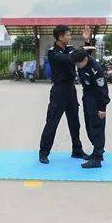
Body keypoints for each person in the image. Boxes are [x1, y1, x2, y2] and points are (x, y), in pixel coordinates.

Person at [38, 24, 93, 164]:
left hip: (71, 90)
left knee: (75, 123)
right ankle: (43, 153)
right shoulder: (52, 52)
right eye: (68, 35)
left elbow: (83, 57)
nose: (69, 37)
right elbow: (69, 59)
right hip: (58, 91)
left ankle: (77, 151)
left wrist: (87, 41)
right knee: (52, 122)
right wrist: (80, 51)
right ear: (61, 37)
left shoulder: (70, 49)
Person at [72, 48, 111, 168]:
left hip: (97, 100)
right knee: (89, 127)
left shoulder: (96, 70)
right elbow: (86, 48)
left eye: (79, 63)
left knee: (97, 128)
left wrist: (102, 108)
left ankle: (97, 158)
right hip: (87, 97)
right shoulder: (82, 61)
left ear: (85, 60)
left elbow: (103, 90)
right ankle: (96, 151)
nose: (77, 66)